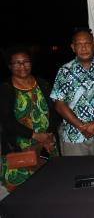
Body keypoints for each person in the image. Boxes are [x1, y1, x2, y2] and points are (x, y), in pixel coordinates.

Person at [0, 47, 59, 191]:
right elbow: (7, 122)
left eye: (26, 62)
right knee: (22, 192)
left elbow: (54, 111)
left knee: (49, 186)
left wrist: (49, 134)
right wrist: (35, 136)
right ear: (10, 66)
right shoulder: (5, 89)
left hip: (47, 144)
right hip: (20, 148)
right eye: (17, 63)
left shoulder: (43, 84)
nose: (22, 66)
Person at [50, 28, 94, 156]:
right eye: (79, 44)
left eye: (87, 43)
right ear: (73, 47)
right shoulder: (65, 71)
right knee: (74, 173)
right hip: (74, 136)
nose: (84, 48)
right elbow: (59, 103)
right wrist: (81, 126)